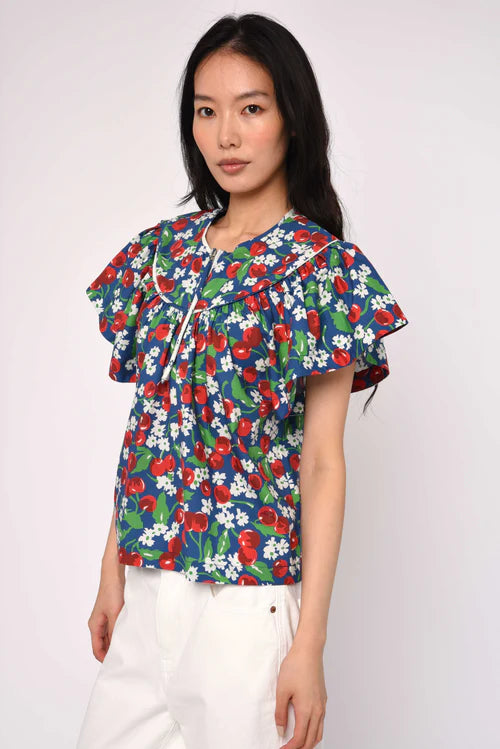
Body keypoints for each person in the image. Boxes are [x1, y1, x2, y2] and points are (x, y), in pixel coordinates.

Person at [76, 12, 409, 749]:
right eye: (207, 111)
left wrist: (309, 642)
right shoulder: (160, 256)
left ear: (292, 117)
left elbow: (321, 463)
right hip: (145, 589)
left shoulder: (321, 272)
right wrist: (112, 570)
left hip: (244, 608)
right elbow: (149, 428)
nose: (226, 134)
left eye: (251, 109)